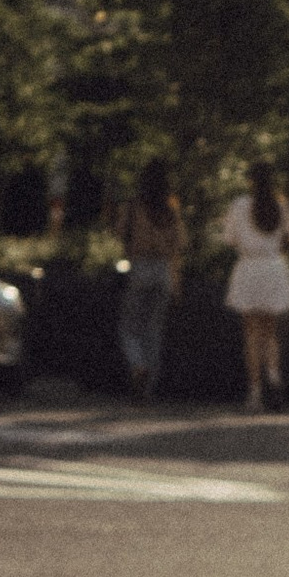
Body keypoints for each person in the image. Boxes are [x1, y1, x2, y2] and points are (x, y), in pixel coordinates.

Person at [220, 157, 289, 408]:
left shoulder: (240, 204)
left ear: (250, 180)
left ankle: (255, 392)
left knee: (251, 333)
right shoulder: (280, 204)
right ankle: (274, 377)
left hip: (249, 267)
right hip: (274, 266)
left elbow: (230, 239)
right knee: (270, 330)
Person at [117, 157, 187, 402]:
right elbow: (178, 246)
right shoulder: (171, 207)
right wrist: (175, 281)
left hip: (140, 267)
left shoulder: (134, 205)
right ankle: (148, 390)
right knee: (153, 331)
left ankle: (137, 365)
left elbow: (121, 235)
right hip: (164, 270)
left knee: (129, 327)